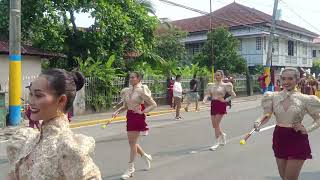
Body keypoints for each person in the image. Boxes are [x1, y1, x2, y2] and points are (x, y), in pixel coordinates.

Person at [6, 69, 101, 180]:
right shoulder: (27, 140)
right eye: (31, 94)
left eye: (38, 95)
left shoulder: (67, 148)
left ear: (61, 100)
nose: (31, 101)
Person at [255, 67, 320, 180]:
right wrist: (258, 121)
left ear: (297, 80)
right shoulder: (273, 97)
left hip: (297, 138)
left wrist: (307, 129)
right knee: (284, 177)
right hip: (279, 138)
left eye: (290, 78)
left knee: (290, 178)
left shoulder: (305, 99)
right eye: (284, 79)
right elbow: (267, 115)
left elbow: (318, 118)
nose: (286, 82)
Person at [113, 72, 157, 179]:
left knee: (132, 143)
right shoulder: (127, 91)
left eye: (133, 77)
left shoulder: (141, 90)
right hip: (130, 116)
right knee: (132, 142)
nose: (131, 79)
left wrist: (143, 112)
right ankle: (145, 156)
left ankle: (130, 168)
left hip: (138, 117)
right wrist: (117, 111)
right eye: (130, 77)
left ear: (138, 79)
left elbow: (153, 104)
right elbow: (126, 106)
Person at [203, 70, 236, 151]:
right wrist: (204, 99)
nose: (216, 76)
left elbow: (233, 95)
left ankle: (216, 142)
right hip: (213, 104)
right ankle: (223, 135)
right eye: (215, 75)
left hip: (221, 105)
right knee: (214, 125)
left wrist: (225, 100)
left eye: (218, 75)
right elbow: (207, 94)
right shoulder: (211, 85)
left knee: (216, 124)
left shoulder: (226, 85)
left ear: (222, 76)